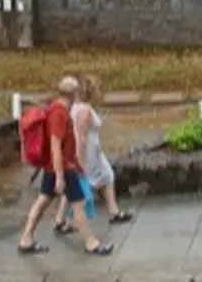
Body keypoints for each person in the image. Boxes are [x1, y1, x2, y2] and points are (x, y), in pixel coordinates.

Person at [17, 77, 113, 257]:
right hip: (62, 168)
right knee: (79, 204)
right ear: (74, 94)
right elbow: (56, 145)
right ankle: (91, 243)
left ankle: (26, 238)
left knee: (43, 201)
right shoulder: (59, 114)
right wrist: (60, 177)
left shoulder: (56, 108)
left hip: (55, 166)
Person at [55, 76, 133, 233]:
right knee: (81, 183)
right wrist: (81, 160)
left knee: (107, 175)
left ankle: (113, 211)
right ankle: (62, 219)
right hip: (89, 153)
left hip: (94, 151)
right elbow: (82, 138)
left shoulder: (76, 107)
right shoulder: (85, 110)